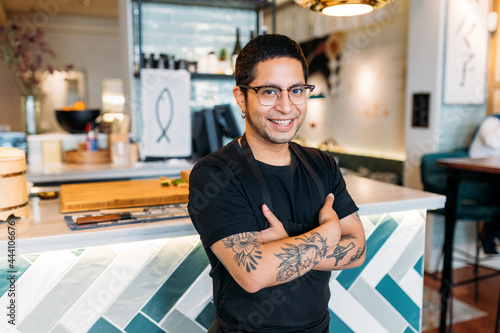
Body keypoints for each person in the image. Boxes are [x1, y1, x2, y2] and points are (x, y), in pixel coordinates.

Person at [188, 34, 366, 333]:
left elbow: (358, 251)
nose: (286, 106)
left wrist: (283, 249)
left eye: (296, 90)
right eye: (269, 91)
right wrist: (329, 231)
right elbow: (254, 273)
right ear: (241, 98)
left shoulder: (322, 164)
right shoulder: (215, 173)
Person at [468, 113, 500, 254]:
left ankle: (490, 234)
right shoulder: (491, 122)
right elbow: (492, 142)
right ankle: (490, 234)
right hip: (477, 177)